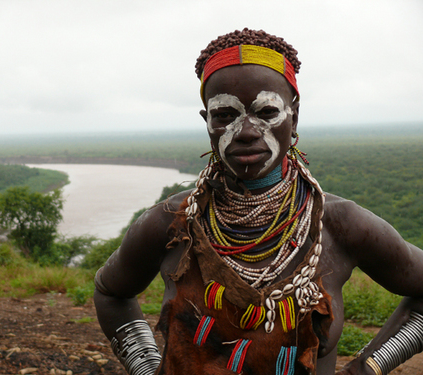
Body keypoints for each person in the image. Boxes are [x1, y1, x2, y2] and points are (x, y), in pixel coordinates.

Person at [93, 28, 423, 375]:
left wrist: (368, 367)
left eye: (266, 112)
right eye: (225, 115)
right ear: (207, 122)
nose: (247, 131)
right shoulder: (171, 224)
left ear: (294, 117)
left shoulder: (340, 225)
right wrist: (145, 367)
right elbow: (110, 292)